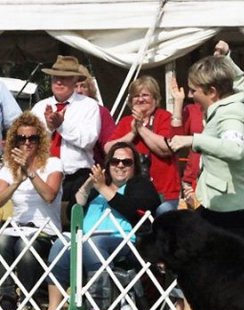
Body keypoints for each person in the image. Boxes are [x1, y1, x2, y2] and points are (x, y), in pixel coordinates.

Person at [165, 41, 244, 310]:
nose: (191, 95)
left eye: (195, 90)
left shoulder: (231, 113)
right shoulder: (238, 98)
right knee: (191, 255)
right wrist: (225, 58)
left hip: (238, 212)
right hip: (222, 207)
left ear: (212, 92)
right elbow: (240, 80)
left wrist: (192, 140)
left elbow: (234, 150)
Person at [45, 142, 160, 310]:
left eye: (126, 162)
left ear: (134, 166)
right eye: (115, 161)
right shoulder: (96, 188)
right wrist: (88, 186)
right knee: (61, 243)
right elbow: (73, 212)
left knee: (94, 243)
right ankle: (53, 307)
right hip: (85, 238)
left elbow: (136, 208)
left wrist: (103, 188)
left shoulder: (140, 185)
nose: (120, 165)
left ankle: (99, 306)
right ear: (108, 165)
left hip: (124, 241)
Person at [0, 112, 63, 310]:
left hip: (46, 230)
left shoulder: (53, 164)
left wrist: (30, 172)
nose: (27, 143)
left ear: (40, 141)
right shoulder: (8, 168)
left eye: (32, 138)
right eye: (22, 138)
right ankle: (7, 297)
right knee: (1, 242)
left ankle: (28, 300)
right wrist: (17, 181)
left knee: (26, 246)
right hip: (17, 227)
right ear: (15, 141)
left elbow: (49, 196)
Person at [105, 76, 181, 215]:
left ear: (155, 98)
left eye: (145, 95)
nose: (140, 99)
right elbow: (109, 149)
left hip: (164, 192)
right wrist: (132, 133)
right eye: (136, 96)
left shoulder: (164, 117)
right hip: (134, 192)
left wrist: (141, 128)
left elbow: (166, 149)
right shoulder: (126, 121)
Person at [31, 55, 100, 202]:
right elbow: (29, 142)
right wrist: (49, 129)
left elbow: (88, 141)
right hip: (44, 176)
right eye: (55, 77)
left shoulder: (88, 106)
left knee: (73, 220)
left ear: (75, 80)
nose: (59, 81)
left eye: (65, 77)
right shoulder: (39, 107)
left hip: (76, 177)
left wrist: (61, 126)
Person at [75, 65, 116, 167]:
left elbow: (111, 146)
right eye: (75, 86)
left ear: (90, 89)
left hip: (94, 171)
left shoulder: (101, 112)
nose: (79, 91)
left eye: (83, 86)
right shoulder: (59, 112)